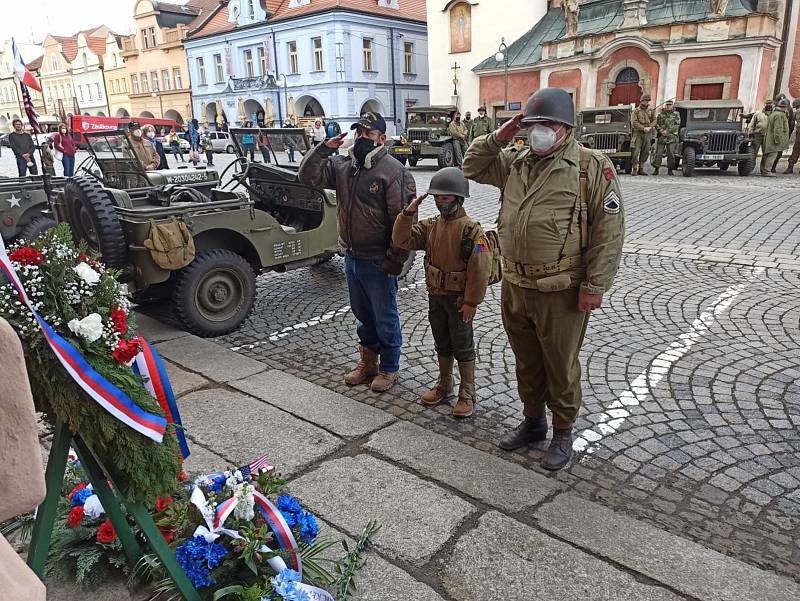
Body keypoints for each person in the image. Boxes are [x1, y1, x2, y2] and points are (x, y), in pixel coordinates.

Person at [463, 88, 625, 471]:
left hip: (561, 289)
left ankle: (563, 432)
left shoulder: (590, 167)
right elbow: (472, 166)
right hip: (516, 284)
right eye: (532, 125)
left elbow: (610, 230)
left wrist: (595, 285)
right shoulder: (516, 162)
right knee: (526, 361)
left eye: (546, 125)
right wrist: (499, 136)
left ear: (565, 129)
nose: (538, 132)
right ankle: (533, 422)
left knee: (560, 364)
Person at [298, 111, 415, 392]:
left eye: (369, 133)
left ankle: (389, 367)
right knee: (363, 315)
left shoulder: (393, 171)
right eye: (359, 132)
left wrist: (395, 261)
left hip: (378, 258)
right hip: (352, 255)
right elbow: (307, 177)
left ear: (382, 138)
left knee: (384, 315)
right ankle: (368, 363)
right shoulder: (343, 165)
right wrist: (324, 149)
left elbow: (403, 224)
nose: (362, 138)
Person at [392, 168, 492, 418]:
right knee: (442, 341)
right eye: (437, 197)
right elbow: (401, 240)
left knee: (463, 345)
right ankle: (445, 384)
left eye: (445, 197)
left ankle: (467, 392)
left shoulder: (471, 230)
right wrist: (407, 214)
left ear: (458, 197)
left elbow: (480, 269)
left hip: (459, 300)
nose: (439, 201)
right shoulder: (431, 226)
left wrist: (471, 301)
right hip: (436, 295)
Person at [761, 98, 790, 177]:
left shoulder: (774, 113)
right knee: (772, 155)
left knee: (767, 154)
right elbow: (778, 128)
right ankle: (767, 171)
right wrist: (778, 140)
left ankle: (764, 170)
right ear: (785, 107)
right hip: (774, 139)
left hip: (769, 137)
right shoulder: (780, 115)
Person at [652, 99, 680, 176]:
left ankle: (670, 169)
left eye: (670, 105)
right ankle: (656, 168)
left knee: (671, 154)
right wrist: (661, 130)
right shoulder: (661, 114)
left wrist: (668, 131)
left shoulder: (676, 114)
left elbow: (677, 125)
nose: (668, 106)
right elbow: (656, 124)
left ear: (672, 105)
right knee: (658, 153)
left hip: (671, 136)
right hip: (661, 136)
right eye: (667, 105)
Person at [630, 94, 655, 176]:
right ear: (641, 101)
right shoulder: (636, 111)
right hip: (638, 133)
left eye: (647, 101)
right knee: (635, 151)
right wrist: (643, 128)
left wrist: (650, 127)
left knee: (646, 151)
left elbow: (654, 120)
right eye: (645, 100)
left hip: (648, 133)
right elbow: (634, 122)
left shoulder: (651, 110)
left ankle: (641, 168)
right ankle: (634, 168)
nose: (646, 102)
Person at [784, 98, 800, 174]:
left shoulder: (796, 112)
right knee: (796, 149)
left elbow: (792, 123)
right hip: (798, 133)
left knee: (796, 150)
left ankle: (790, 167)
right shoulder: (796, 112)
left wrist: (789, 133)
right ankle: (790, 167)